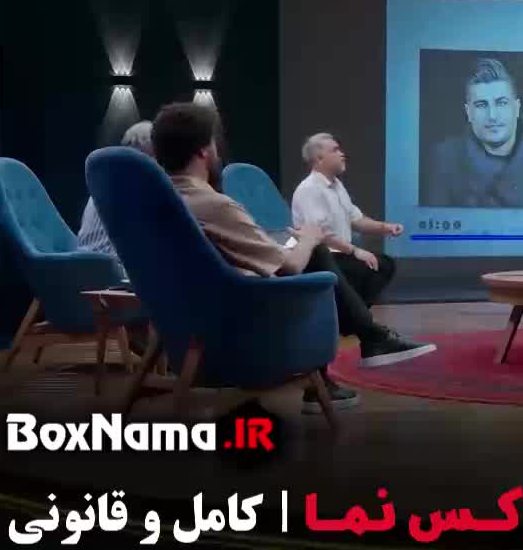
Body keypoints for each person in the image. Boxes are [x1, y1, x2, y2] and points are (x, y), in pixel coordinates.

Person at [150, 102, 437, 414]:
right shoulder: (214, 205)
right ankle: (370, 337)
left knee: (341, 268)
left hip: (184, 327)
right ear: (204, 151)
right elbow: (288, 268)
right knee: (317, 255)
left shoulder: (160, 201)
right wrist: (311, 238)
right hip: (237, 325)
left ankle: (368, 338)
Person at [423, 57, 523, 208]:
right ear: (468, 112)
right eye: (481, 105)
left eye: (501, 103)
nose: (492, 116)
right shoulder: (443, 158)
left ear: (516, 108)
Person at [293, 133, 402, 307]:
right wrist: (355, 251)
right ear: (319, 159)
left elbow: (356, 219)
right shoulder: (310, 189)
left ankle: (353, 315)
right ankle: (353, 316)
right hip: (321, 257)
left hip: (341, 254)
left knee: (384, 265)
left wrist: (386, 227)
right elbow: (321, 234)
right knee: (368, 267)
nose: (342, 154)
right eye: (335, 150)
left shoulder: (337, 185)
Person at [78, 120, 155, 275]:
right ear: (153, 151)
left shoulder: (106, 181)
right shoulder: (140, 186)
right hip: (115, 274)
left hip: (81, 270)